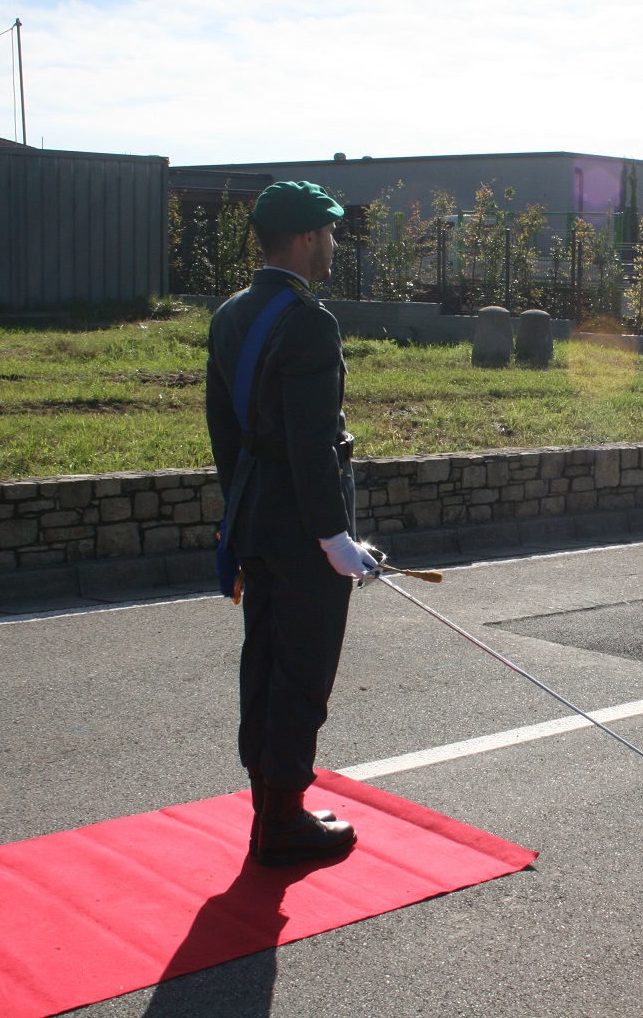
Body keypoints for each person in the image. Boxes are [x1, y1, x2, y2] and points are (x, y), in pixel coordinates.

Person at [206, 182, 382, 866]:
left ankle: (266, 805)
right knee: (302, 669)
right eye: (330, 234)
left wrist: (238, 506)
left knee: (264, 661)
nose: (335, 245)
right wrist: (334, 535)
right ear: (307, 238)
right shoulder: (309, 321)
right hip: (303, 527)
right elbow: (312, 442)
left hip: (255, 516)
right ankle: (282, 818)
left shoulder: (229, 314)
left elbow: (225, 426)